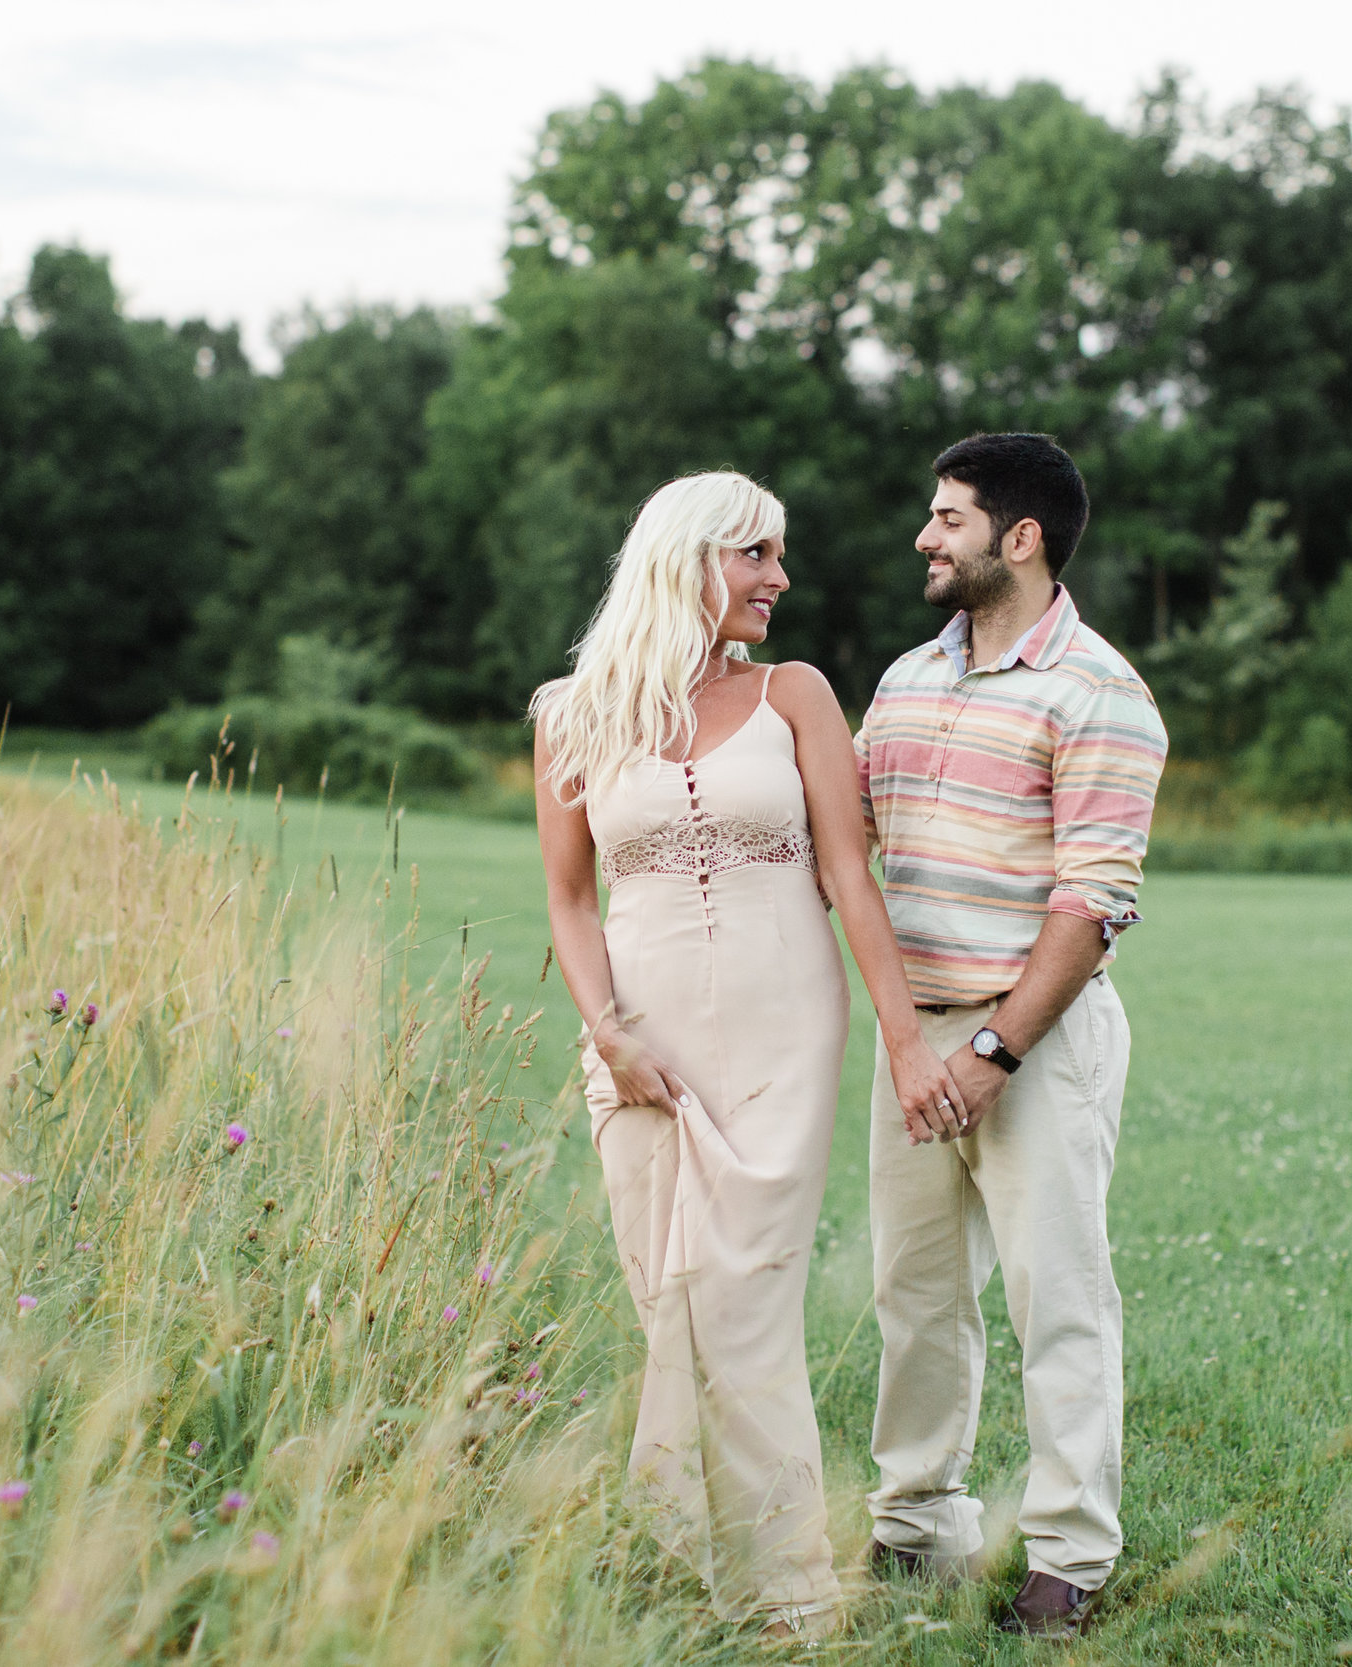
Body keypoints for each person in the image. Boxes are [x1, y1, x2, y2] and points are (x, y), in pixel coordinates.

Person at [532, 471, 970, 1634]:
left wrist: (906, 1041)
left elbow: (846, 876)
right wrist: (609, 1034)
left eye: (779, 556)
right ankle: (684, 1566)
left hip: (784, 1024)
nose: (780, 578)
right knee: (667, 1297)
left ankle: (785, 1595)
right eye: (758, 555)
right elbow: (570, 903)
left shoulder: (796, 694)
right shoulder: (571, 712)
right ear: (691, 558)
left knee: (745, 1298)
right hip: (639, 1043)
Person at [856, 433, 1168, 1640]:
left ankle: (1069, 1562)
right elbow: (858, 846)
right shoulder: (904, 678)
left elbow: (1093, 902)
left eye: (947, 517)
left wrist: (992, 1057)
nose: (925, 537)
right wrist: (911, 1045)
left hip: (1034, 1038)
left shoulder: (1098, 689)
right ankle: (918, 1520)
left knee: (1059, 1296)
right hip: (913, 1035)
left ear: (1018, 538)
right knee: (916, 1296)